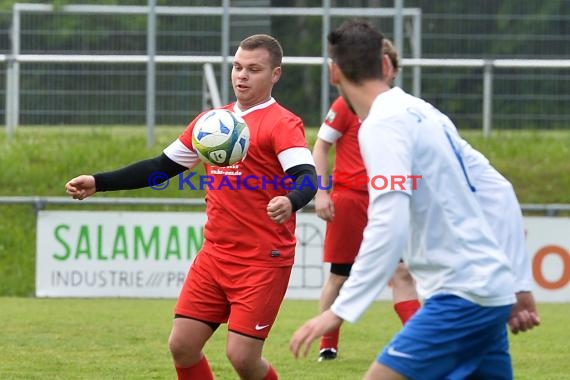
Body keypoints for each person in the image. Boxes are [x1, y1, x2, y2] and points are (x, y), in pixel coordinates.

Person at [289, 20, 540, 380]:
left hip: (461, 296)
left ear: (334, 73)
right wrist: (517, 283)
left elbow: (388, 222)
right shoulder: (426, 112)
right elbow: (500, 192)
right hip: (490, 291)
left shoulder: (381, 125)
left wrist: (340, 310)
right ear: (387, 66)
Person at [66, 34, 317, 380]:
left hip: (262, 259)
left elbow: (307, 177)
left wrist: (290, 201)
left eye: (254, 69)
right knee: (182, 345)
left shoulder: (282, 124)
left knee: (242, 357)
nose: (242, 75)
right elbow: (160, 168)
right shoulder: (212, 123)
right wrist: (100, 181)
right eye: (237, 67)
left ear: (275, 74)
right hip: (214, 256)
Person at [313, 38, 420, 362]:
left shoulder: (405, 109)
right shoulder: (345, 105)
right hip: (351, 200)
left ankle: (418, 342)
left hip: (390, 199)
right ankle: (327, 345)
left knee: (401, 273)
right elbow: (320, 147)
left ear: (390, 69)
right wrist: (321, 191)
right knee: (340, 275)